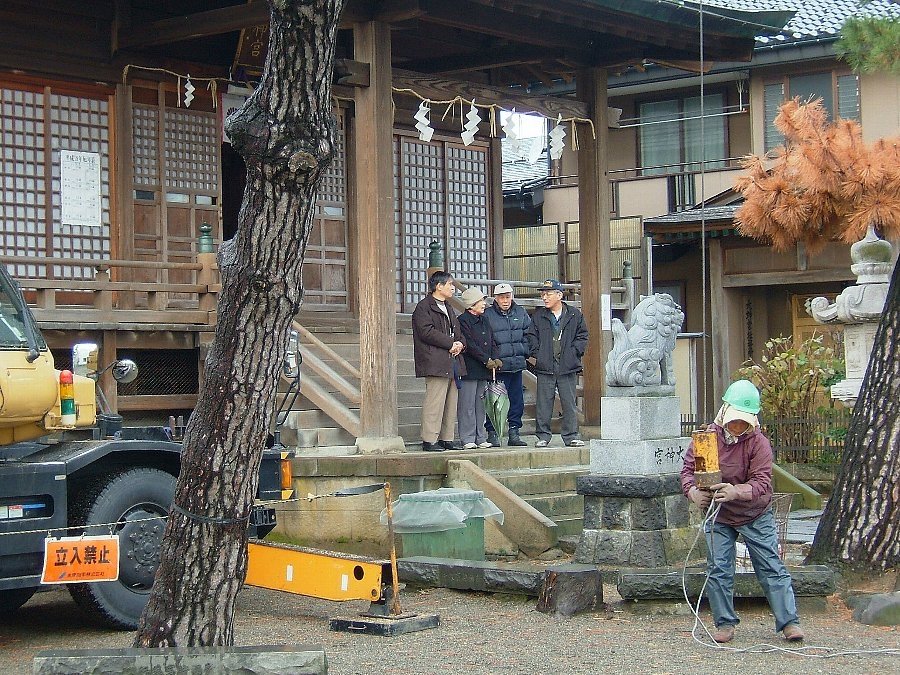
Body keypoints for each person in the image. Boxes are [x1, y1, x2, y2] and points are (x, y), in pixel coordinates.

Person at [680, 379, 805, 644]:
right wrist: (692, 492)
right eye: (734, 420)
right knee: (718, 569)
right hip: (718, 514)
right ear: (724, 413)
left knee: (771, 567)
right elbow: (688, 472)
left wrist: (736, 491)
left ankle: (789, 622)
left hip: (754, 513)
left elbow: (762, 482)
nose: (738, 427)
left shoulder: (758, 443)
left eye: (743, 422)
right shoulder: (707, 439)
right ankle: (724, 623)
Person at [525, 279, 588, 447]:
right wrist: (538, 354)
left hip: (567, 365)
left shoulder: (574, 314)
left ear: (559, 295)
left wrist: (574, 352)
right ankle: (543, 436)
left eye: (548, 294)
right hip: (546, 365)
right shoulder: (539, 316)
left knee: (569, 402)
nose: (544, 297)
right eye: (543, 294)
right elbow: (531, 337)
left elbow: (583, 336)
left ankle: (571, 435)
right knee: (544, 403)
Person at [412, 271, 466, 452]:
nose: (453, 287)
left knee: (451, 402)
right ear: (438, 286)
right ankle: (429, 439)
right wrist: (451, 343)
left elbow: (457, 331)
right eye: (450, 284)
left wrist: (460, 344)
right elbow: (426, 332)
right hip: (434, 360)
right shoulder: (424, 307)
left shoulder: (449, 307)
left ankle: (447, 438)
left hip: (452, 360)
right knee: (434, 402)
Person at [483, 283, 531, 447]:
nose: (505, 300)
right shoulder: (488, 314)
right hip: (497, 366)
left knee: (517, 401)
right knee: (495, 400)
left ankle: (514, 432)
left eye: (508, 296)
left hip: (517, 364)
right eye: (502, 297)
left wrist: (524, 351)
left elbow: (528, 334)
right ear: (495, 298)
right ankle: (493, 433)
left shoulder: (520, 312)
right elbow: (485, 339)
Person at [456, 287, 501, 450]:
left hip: (485, 369)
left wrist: (495, 357)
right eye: (481, 301)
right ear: (471, 304)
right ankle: (467, 437)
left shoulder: (485, 319)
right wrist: (485, 359)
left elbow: (493, 340)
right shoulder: (462, 320)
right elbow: (470, 344)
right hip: (470, 367)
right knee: (467, 405)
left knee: (481, 405)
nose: (484, 304)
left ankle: (480, 437)